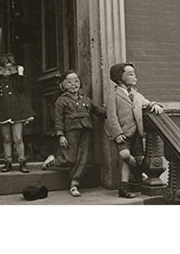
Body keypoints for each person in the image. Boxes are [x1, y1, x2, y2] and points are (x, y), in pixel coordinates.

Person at [41, 70, 106, 197]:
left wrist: (113, 110)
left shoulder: (85, 99)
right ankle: (52, 162)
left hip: (86, 130)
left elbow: (98, 111)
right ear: (63, 85)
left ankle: (75, 183)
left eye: (76, 81)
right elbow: (58, 119)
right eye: (69, 82)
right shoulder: (61, 101)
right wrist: (61, 135)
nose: (73, 84)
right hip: (70, 131)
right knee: (70, 158)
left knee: (83, 158)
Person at [106, 62, 163, 198]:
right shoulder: (113, 96)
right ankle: (137, 171)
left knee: (136, 158)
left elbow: (147, 103)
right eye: (130, 74)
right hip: (122, 133)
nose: (134, 76)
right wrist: (117, 133)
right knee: (125, 156)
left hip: (137, 133)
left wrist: (154, 104)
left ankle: (124, 187)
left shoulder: (137, 95)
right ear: (120, 79)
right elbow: (111, 116)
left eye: (134, 73)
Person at [0, 53, 35, 173]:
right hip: (2, 111)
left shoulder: (16, 79)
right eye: (4, 68)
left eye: (9, 68)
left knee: (18, 138)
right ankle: (8, 162)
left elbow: (21, 88)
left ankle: (22, 161)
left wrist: (20, 74)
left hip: (17, 110)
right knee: (6, 138)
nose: (6, 72)